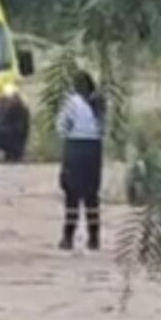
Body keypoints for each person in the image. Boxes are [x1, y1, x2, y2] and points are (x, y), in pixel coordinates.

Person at [56, 70, 104, 251]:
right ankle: (94, 237)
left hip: (75, 146)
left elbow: (61, 126)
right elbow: (104, 126)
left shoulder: (71, 102)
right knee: (92, 194)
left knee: (72, 194)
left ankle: (68, 237)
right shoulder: (99, 103)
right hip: (94, 148)